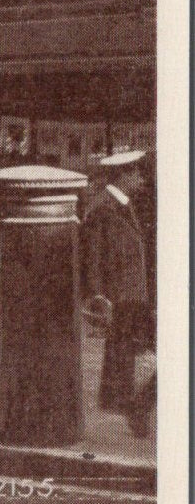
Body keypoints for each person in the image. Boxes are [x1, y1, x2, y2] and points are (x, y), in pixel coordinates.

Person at [84, 149, 154, 436]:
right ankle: (131, 404)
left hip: (131, 292)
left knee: (124, 347)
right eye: (136, 173)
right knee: (128, 345)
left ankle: (124, 400)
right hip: (120, 295)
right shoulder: (104, 207)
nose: (141, 178)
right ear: (123, 175)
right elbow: (94, 256)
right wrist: (100, 297)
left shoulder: (121, 203)